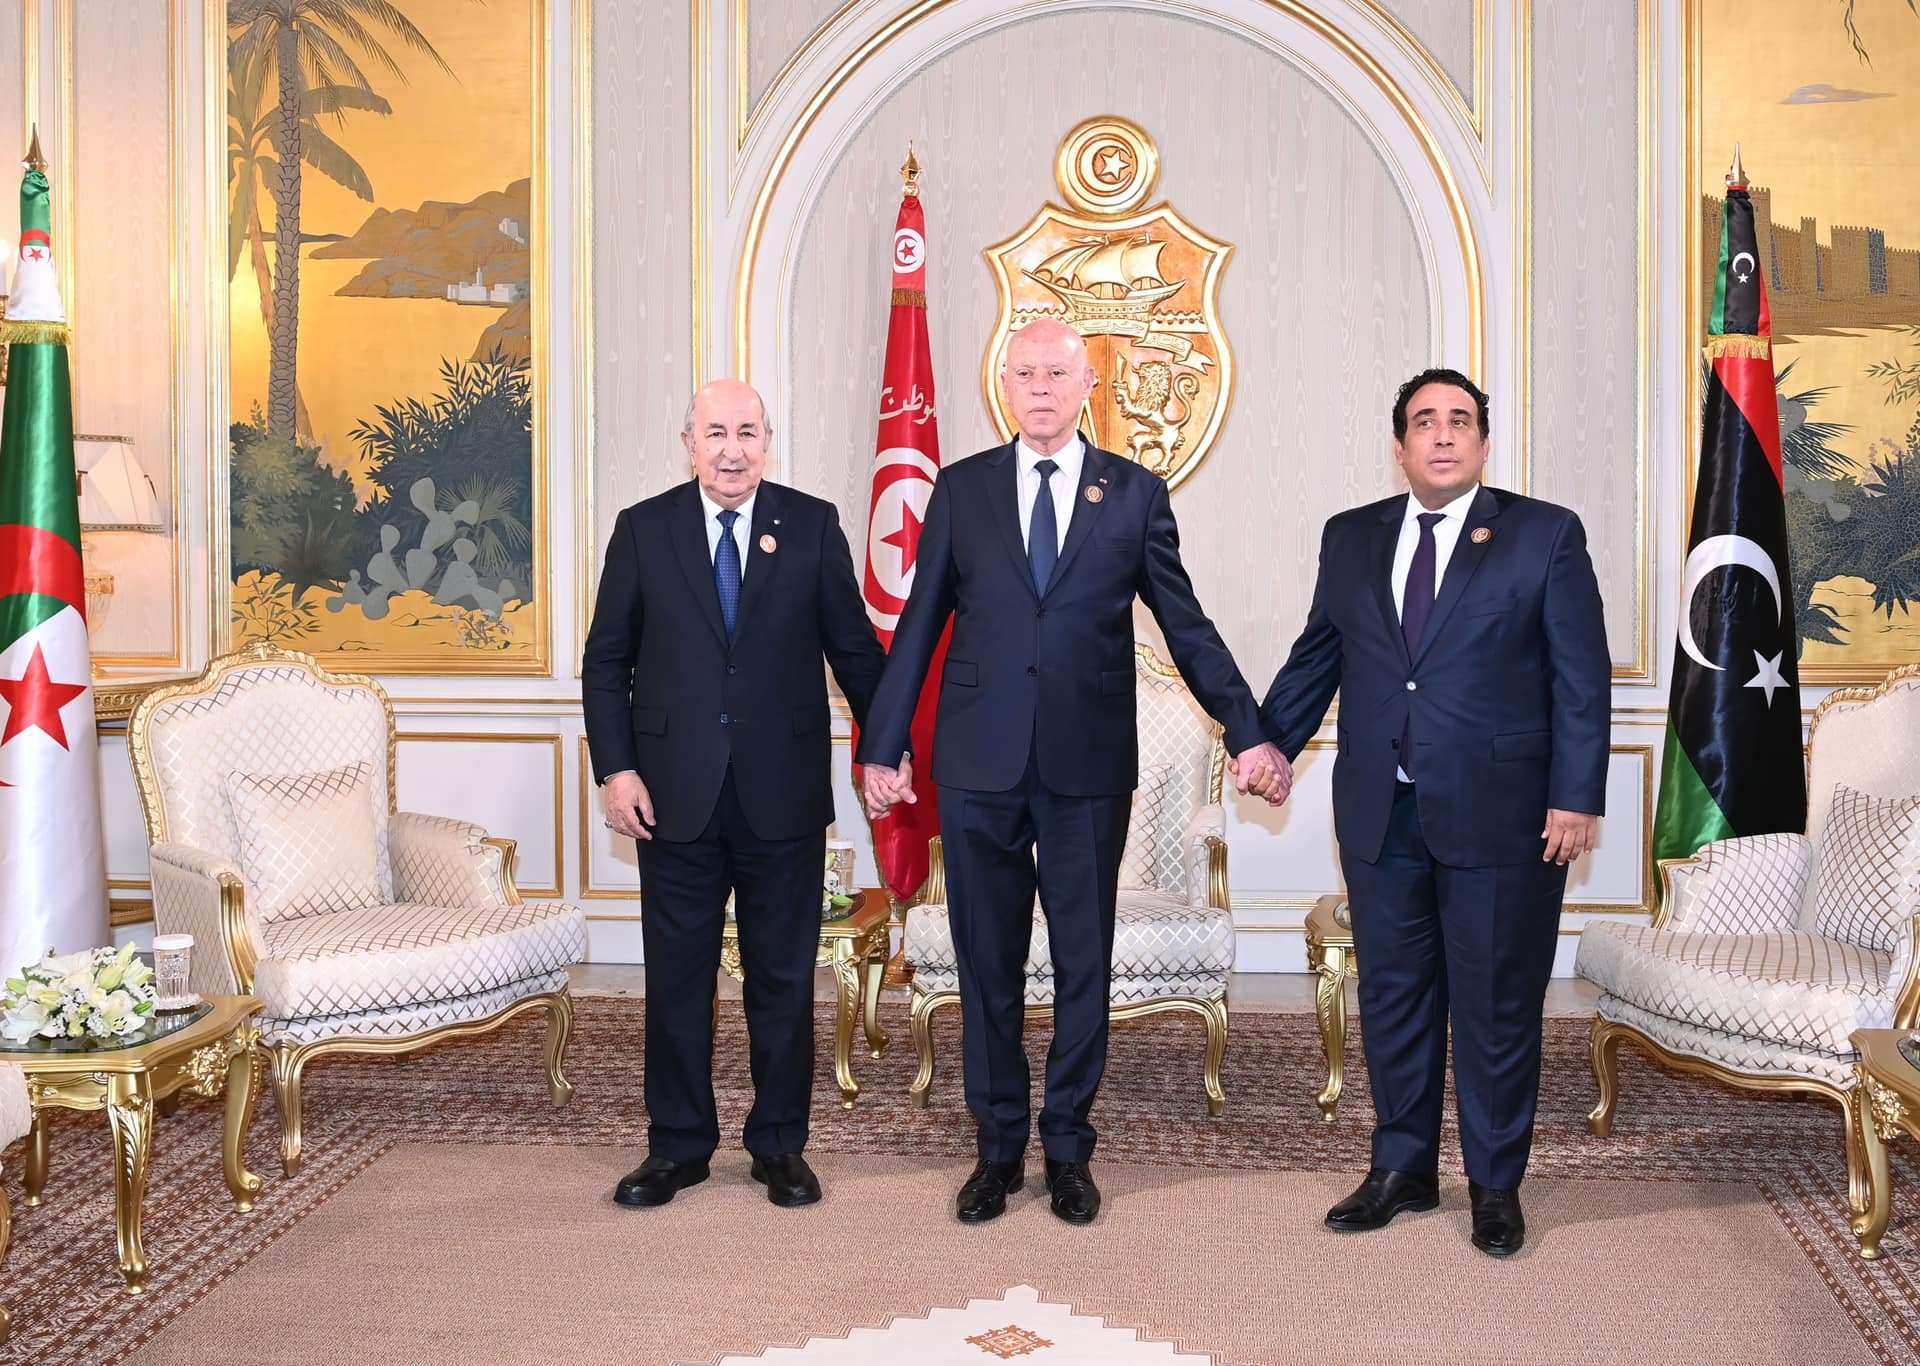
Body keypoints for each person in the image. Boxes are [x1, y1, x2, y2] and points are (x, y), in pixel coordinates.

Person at [857, 319, 1286, 1226]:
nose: (1042, 387)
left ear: (1088, 384)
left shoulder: (1133, 494)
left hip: (1087, 765)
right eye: (1026, 373)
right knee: (987, 963)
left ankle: (1067, 1148)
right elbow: (918, 623)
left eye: (1058, 372)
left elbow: (1186, 624)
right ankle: (996, 1150)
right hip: (979, 763)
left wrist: (1248, 732)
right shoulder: (962, 488)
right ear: (1005, 386)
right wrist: (882, 744)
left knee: (1082, 960)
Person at [1259, 368, 1609, 1255]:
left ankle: (1494, 1185)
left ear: (1483, 443)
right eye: (1425, 421)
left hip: (1505, 814)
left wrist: (1576, 794)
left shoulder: (1544, 534)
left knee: (1495, 1005)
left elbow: (1580, 675)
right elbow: (1318, 655)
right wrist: (1268, 743)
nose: (1443, 435)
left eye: (1460, 421)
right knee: (1395, 998)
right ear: (1401, 445)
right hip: (1381, 812)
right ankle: (1403, 1169)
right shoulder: (1351, 537)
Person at [583, 378, 889, 1210]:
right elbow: (607, 662)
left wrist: (884, 748)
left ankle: (779, 1146)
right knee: (677, 981)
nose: (731, 450)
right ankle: (677, 1147)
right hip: (670, 795)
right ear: (689, 443)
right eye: (716, 433)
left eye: (747, 432)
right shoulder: (644, 529)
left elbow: (855, 654)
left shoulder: (812, 524)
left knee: (781, 981)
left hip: (781, 794)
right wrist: (616, 770)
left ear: (768, 442)